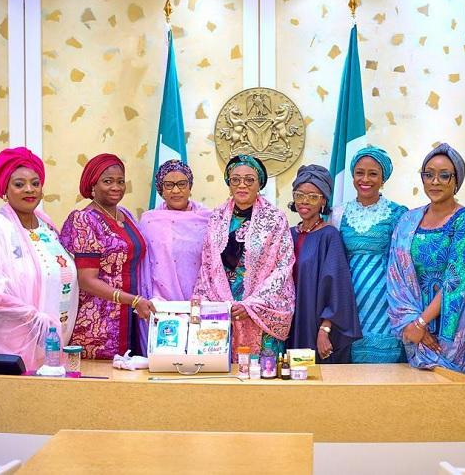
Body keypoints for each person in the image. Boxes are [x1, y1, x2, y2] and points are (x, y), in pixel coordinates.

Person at [0, 147, 78, 370]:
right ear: (4, 190)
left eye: (35, 183)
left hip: (55, 345)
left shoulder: (47, 227)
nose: (29, 189)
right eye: (19, 184)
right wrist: (37, 321)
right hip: (13, 346)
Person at [387, 143, 465, 372]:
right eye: (428, 175)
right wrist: (412, 324)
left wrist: (422, 322)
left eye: (444, 175)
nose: (435, 181)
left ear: (457, 180)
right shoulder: (408, 220)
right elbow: (395, 276)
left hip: (450, 329)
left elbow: (457, 280)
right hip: (411, 327)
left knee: (448, 388)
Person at [192, 154, 295, 359]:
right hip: (223, 306)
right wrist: (219, 304)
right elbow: (207, 264)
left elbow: (283, 267)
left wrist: (252, 305)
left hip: (261, 307)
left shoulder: (275, 219)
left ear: (259, 184)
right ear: (228, 184)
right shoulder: (217, 217)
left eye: (249, 180)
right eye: (235, 179)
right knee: (222, 368)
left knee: (262, 371)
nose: (242, 185)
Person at [60, 154, 154, 359]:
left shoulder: (126, 215)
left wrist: (136, 302)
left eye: (121, 181)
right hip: (98, 323)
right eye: (108, 181)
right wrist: (133, 300)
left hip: (132, 317)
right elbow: (86, 280)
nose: (116, 187)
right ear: (92, 185)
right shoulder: (84, 220)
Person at [331, 147, 407, 363]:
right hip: (349, 299)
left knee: (385, 368)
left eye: (373, 174)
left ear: (383, 178)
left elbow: (403, 264)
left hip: (386, 300)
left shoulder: (398, 213)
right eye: (359, 173)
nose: (365, 179)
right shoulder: (338, 213)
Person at [287, 164, 361, 363]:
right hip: (288, 322)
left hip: (314, 323)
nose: (305, 201)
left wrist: (325, 329)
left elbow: (337, 288)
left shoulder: (329, 236)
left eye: (313, 197)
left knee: (312, 376)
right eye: (299, 195)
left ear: (323, 201)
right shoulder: (288, 234)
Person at [139, 160, 212, 303]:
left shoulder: (208, 219)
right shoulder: (149, 221)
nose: (176, 190)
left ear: (190, 186)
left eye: (182, 184)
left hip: (201, 301)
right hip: (160, 303)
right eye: (169, 185)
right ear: (161, 189)